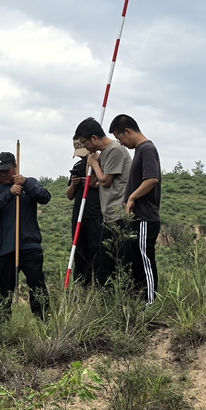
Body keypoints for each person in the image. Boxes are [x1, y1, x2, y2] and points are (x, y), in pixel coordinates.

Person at [0, 150, 51, 316]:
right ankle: (2, 332)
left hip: (29, 246)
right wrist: (10, 193)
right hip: (3, 249)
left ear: (15, 167)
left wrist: (25, 183)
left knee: (37, 287)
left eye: (6, 170)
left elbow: (45, 197)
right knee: (2, 295)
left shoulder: (30, 183)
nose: (3, 175)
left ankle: (44, 324)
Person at [72, 117, 131, 286]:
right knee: (103, 267)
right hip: (109, 217)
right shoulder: (104, 154)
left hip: (120, 215)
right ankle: (105, 302)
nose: (85, 147)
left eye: (85, 142)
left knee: (119, 264)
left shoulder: (115, 150)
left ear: (94, 138)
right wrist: (90, 165)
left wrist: (94, 164)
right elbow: (91, 183)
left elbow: (105, 181)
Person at [109, 113, 161, 304]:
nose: (120, 143)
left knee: (145, 260)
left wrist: (132, 197)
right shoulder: (140, 150)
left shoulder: (146, 149)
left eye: (119, 138)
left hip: (145, 217)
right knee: (136, 261)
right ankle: (139, 302)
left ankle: (150, 303)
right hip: (137, 219)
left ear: (128, 131)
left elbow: (152, 179)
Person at [66, 139, 101, 286]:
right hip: (79, 216)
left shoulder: (101, 161)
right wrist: (75, 183)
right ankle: (81, 288)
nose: (82, 157)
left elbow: (106, 183)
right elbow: (69, 195)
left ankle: (100, 287)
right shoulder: (78, 165)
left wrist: (90, 183)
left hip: (95, 214)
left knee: (97, 253)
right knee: (80, 255)